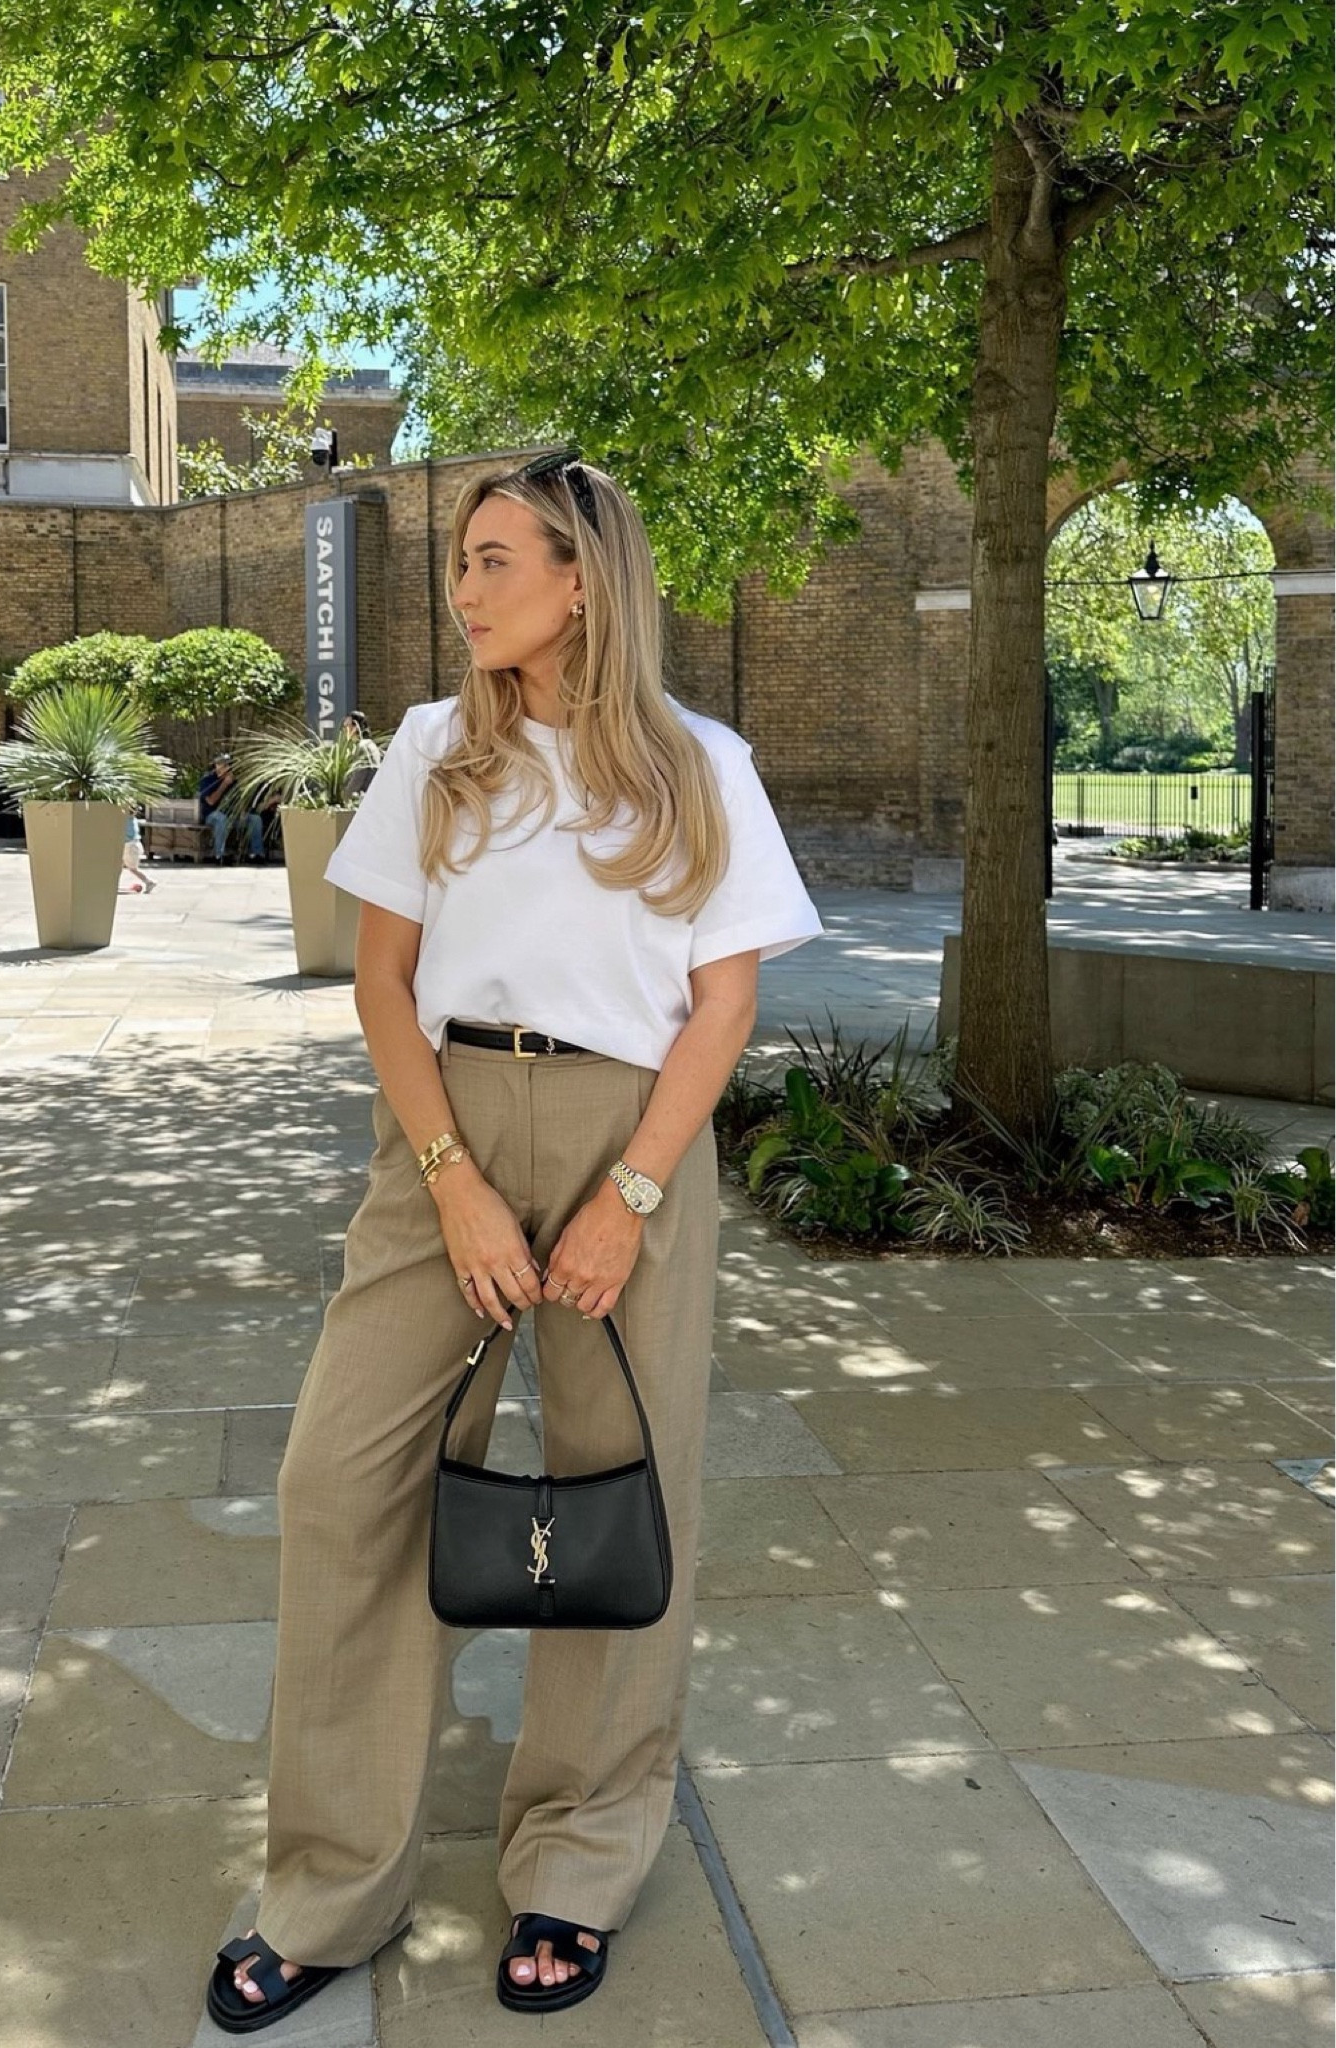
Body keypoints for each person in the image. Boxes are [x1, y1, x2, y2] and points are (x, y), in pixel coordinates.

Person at [202, 451, 822, 2035]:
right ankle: (332, 1886)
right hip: (444, 1133)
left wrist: (631, 1196)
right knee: (341, 1484)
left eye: (491, 560)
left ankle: (577, 1866)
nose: (464, 590)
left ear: (581, 578)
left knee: (625, 1495)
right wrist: (455, 1182)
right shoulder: (433, 750)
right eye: (460, 563)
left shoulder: (699, 765)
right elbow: (379, 981)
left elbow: (727, 1002)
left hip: (638, 1138)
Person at [198, 751, 265, 863]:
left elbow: (239, 799)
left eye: (227, 765)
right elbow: (210, 801)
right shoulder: (207, 779)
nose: (225, 767)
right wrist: (224, 784)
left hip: (231, 816)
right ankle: (219, 855)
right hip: (212, 815)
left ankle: (256, 853)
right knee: (221, 818)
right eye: (222, 764)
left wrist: (242, 811)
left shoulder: (233, 781)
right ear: (215, 765)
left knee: (255, 819)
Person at [340, 711, 383, 802]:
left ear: (355, 727)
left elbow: (358, 778)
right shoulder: (368, 745)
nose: (344, 730)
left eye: (346, 726)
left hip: (363, 802)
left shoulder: (363, 747)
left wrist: (344, 797)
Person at [120, 809, 155, 893]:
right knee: (119, 865)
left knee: (132, 868)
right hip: (134, 844)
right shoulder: (132, 819)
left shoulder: (126, 820)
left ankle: (149, 881)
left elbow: (126, 836)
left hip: (130, 846)